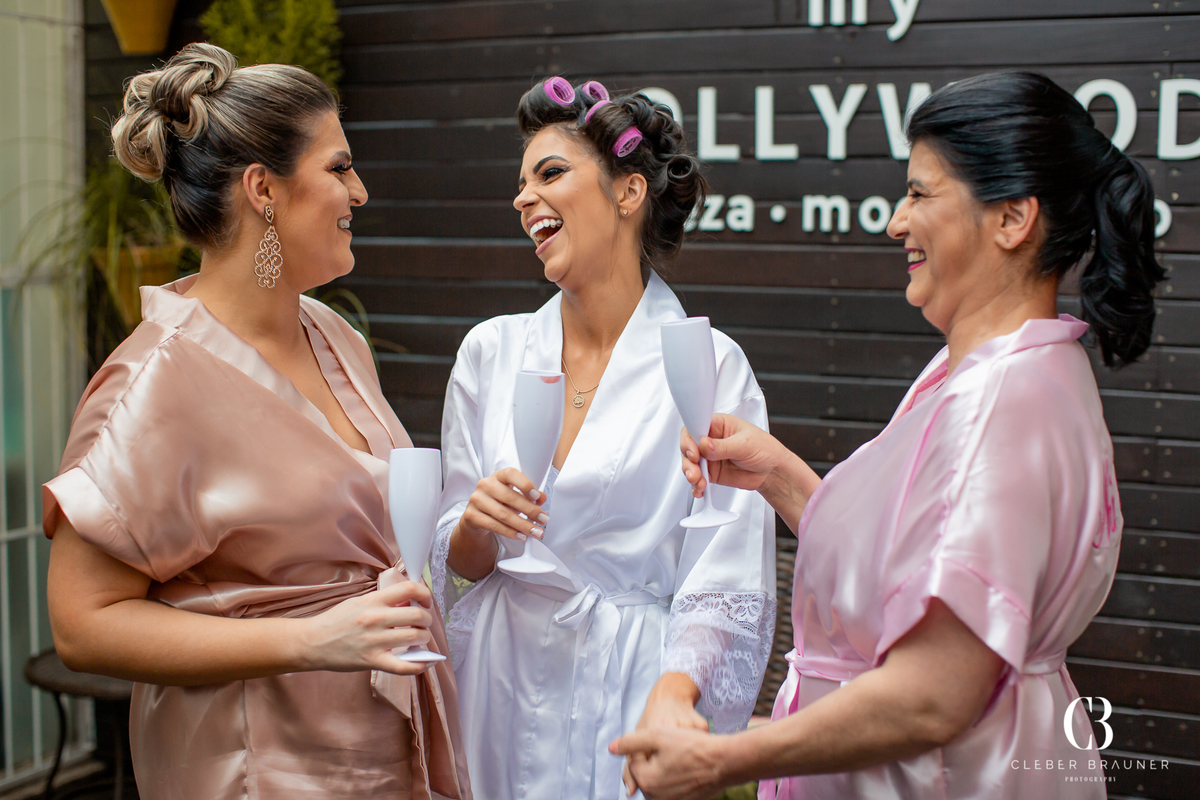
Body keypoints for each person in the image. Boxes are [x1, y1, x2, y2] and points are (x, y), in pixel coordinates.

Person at [611, 71, 1164, 800]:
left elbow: (935, 691)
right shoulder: (987, 372)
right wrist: (779, 475)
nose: (895, 222)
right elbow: (913, 573)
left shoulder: (1006, 401)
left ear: (1013, 219)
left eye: (920, 194)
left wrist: (721, 760)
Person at [44, 43, 470, 800]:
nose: (360, 192)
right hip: (260, 768)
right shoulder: (153, 385)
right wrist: (313, 638)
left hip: (379, 755)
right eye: (339, 168)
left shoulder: (336, 336)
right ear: (262, 190)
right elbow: (82, 625)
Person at [430, 78, 776, 799]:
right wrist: (473, 525)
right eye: (520, 185)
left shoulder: (709, 366)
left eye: (550, 174)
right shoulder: (489, 355)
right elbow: (456, 567)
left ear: (628, 192)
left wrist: (673, 698)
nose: (523, 199)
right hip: (497, 681)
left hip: (632, 683)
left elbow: (724, 576)